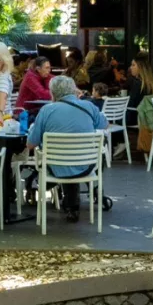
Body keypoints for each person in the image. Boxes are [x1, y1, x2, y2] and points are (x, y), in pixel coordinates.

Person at [25, 75, 107, 223]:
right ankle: (73, 205)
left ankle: (49, 185)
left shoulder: (46, 110)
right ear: (74, 90)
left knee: (62, 160)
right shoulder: (89, 106)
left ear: (53, 93)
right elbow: (104, 125)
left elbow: (31, 144)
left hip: (54, 167)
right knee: (74, 157)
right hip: (86, 165)